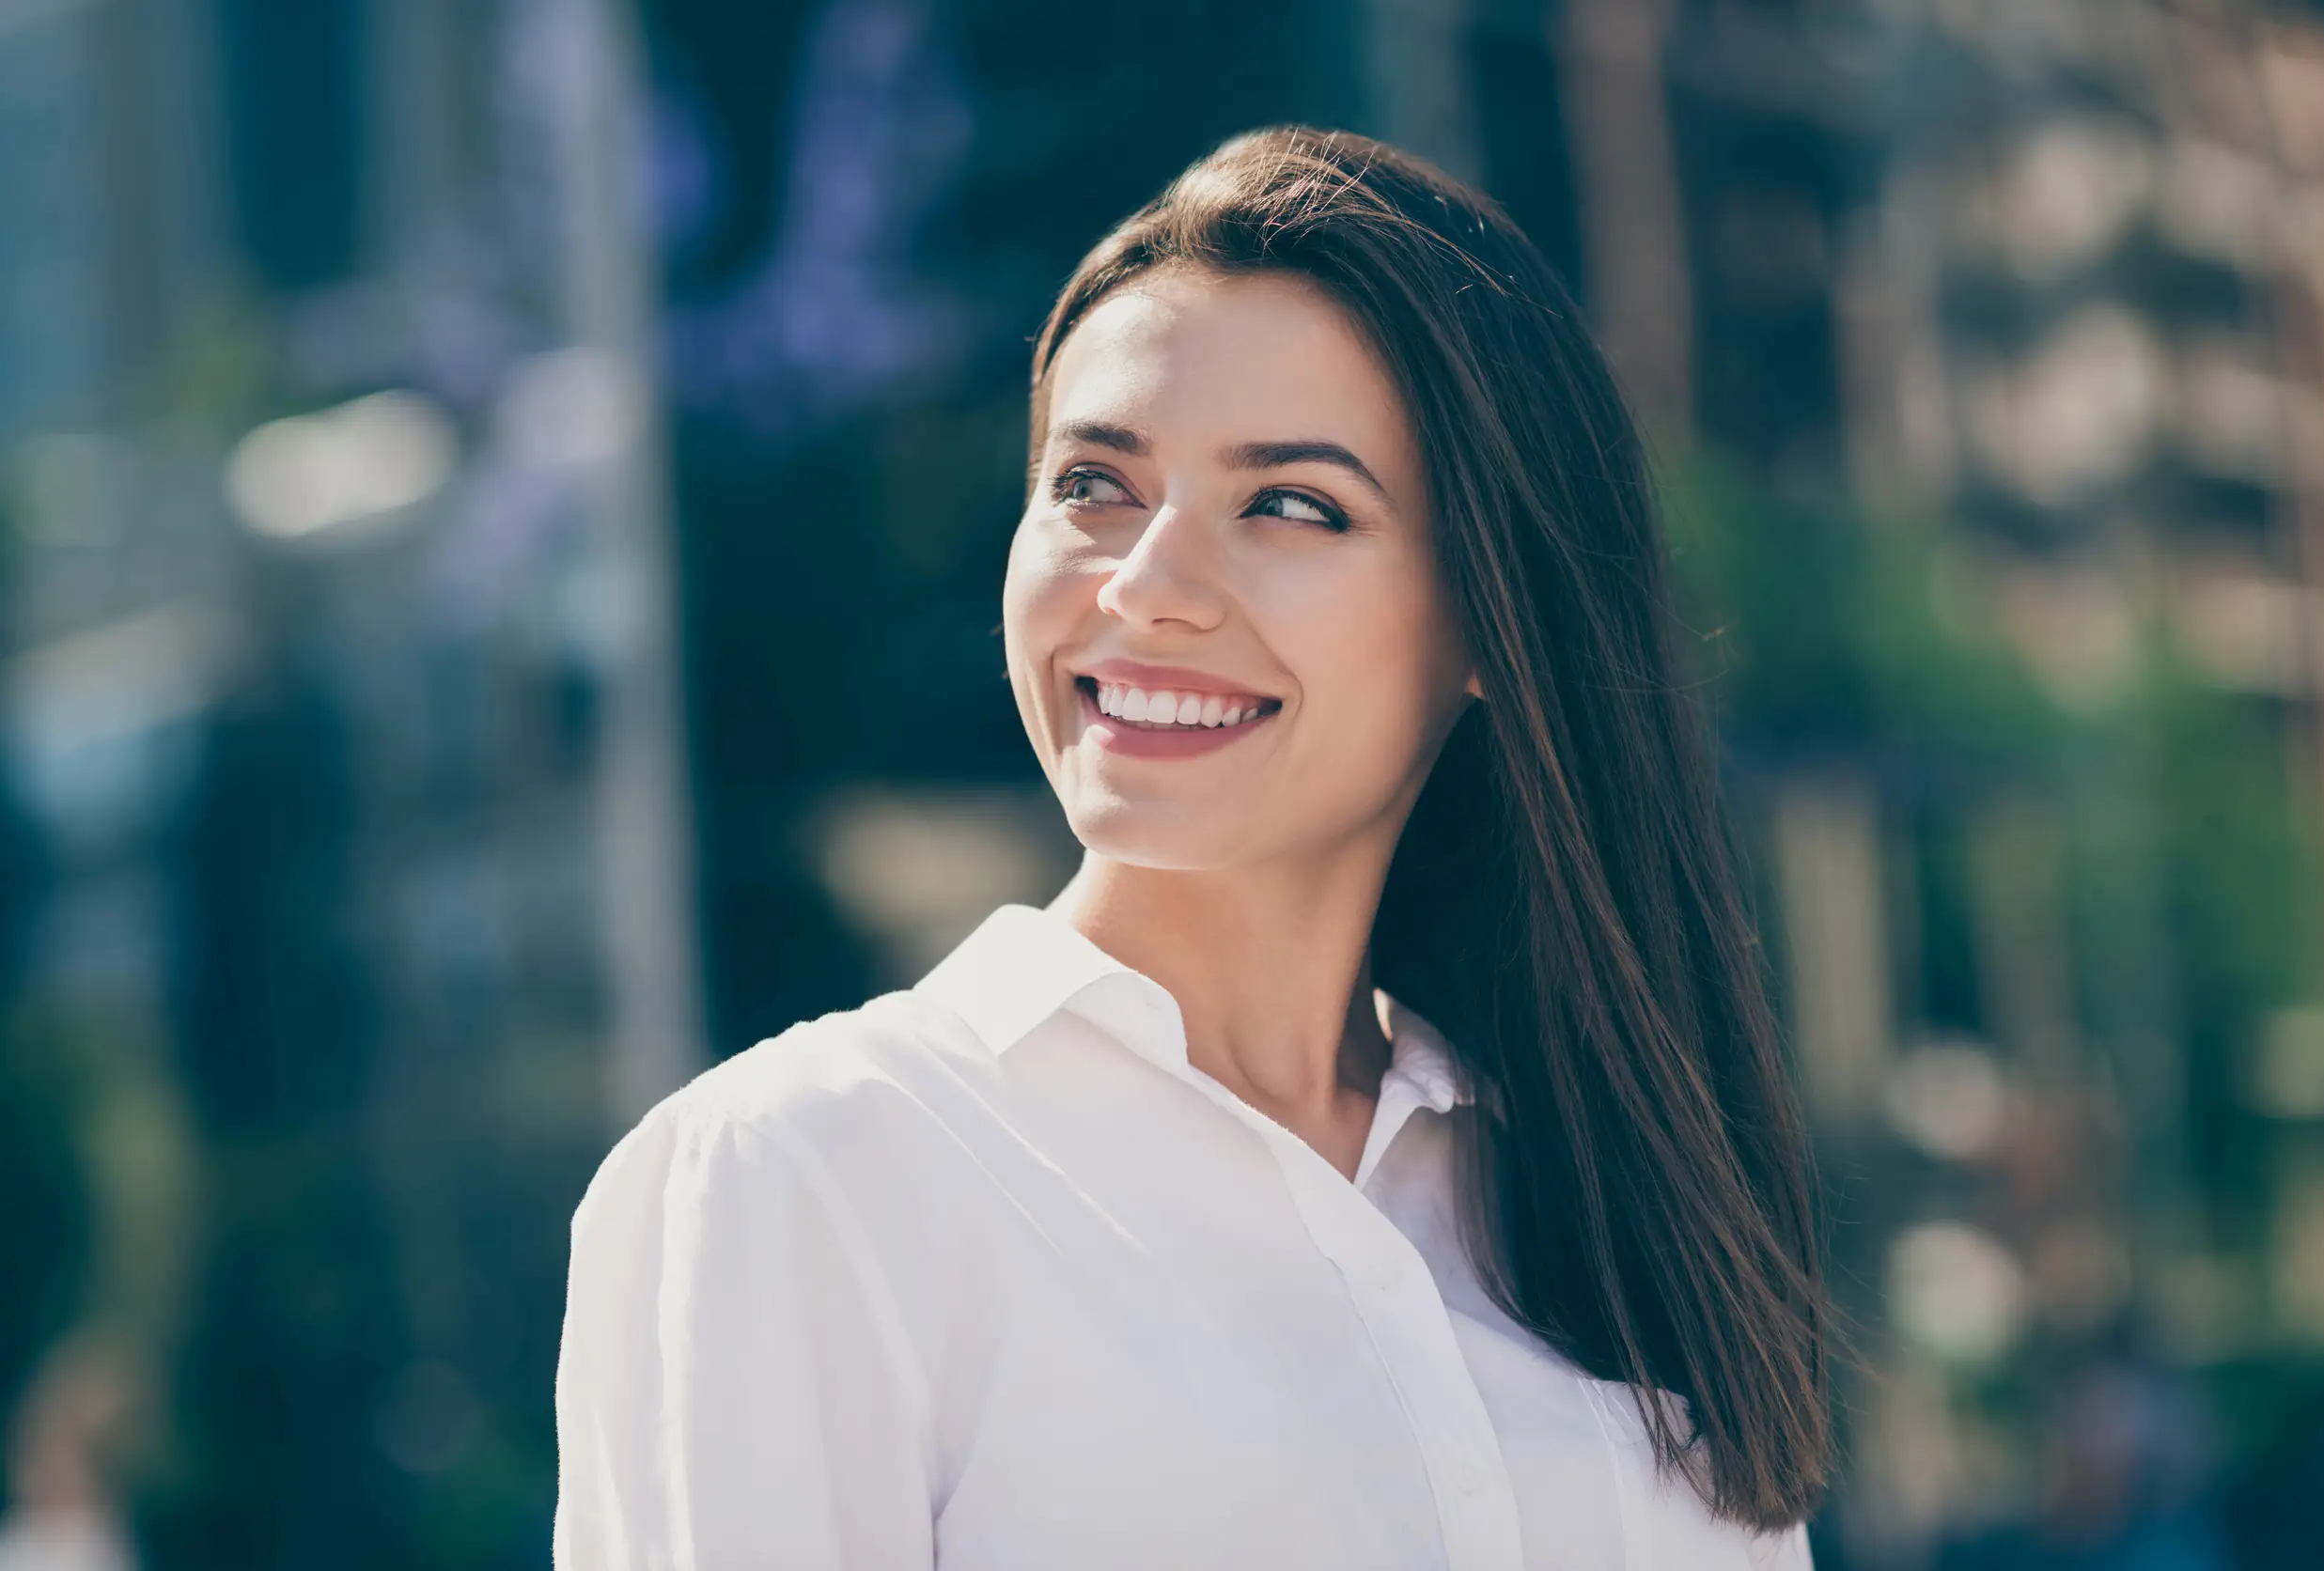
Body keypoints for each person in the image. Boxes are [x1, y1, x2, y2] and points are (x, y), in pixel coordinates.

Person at [554, 125, 1832, 1568]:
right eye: (1094, 485)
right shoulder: (811, 1177)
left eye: (1291, 504)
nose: (1148, 586)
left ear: (1492, 621)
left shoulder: (1602, 1210)